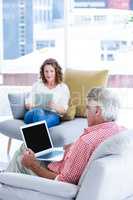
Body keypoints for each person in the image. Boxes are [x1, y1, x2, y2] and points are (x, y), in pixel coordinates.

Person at [6, 87, 126, 185]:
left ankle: (5, 185)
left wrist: (33, 165)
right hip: (62, 166)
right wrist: (73, 149)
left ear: (98, 111)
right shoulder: (121, 132)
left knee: (22, 155)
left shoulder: (86, 142)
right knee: (28, 150)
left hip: (55, 185)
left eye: (88, 108)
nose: (86, 112)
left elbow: (62, 183)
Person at [24, 58, 70, 128]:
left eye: (51, 71)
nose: (49, 74)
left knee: (42, 122)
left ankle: (36, 135)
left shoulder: (63, 87)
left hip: (52, 114)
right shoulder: (37, 84)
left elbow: (63, 111)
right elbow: (29, 100)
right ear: (43, 72)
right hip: (34, 113)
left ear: (56, 72)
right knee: (39, 112)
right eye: (46, 71)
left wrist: (54, 106)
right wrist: (29, 104)